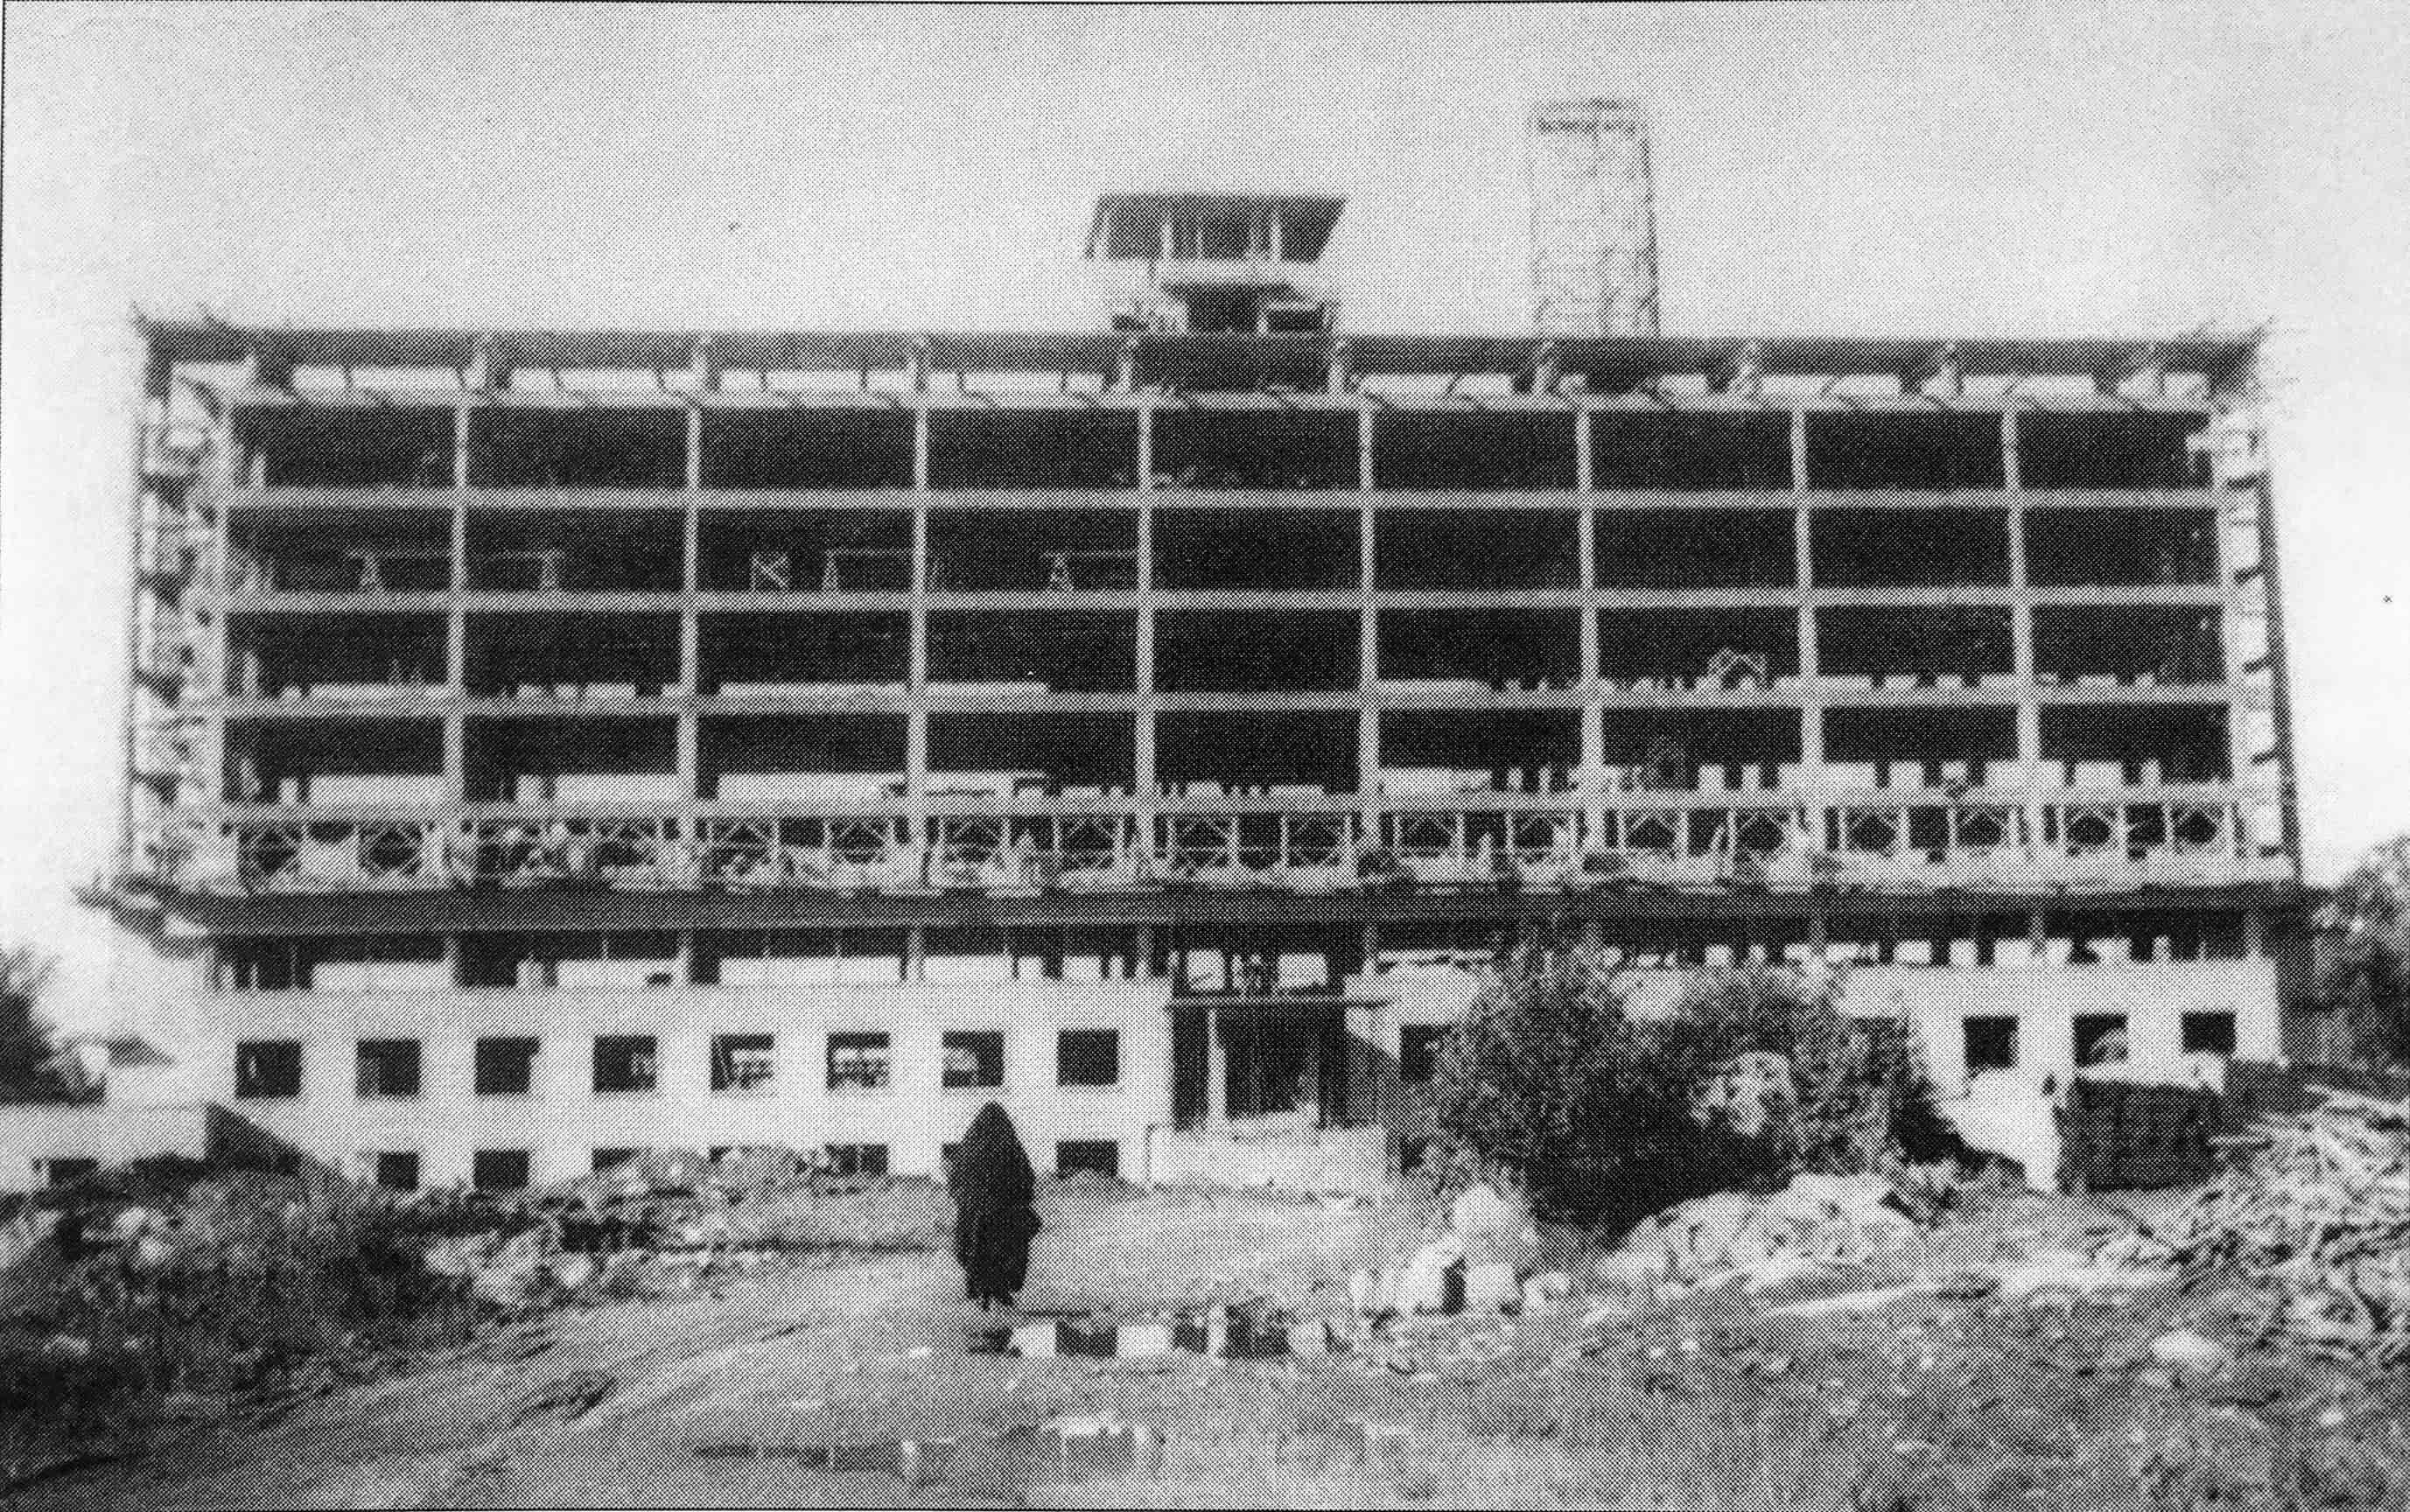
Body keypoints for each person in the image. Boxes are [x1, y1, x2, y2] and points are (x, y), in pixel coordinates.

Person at [948, 1102, 1040, 1310]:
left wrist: (968, 1202)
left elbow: (955, 1182)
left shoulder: (968, 1149)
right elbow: (1026, 1179)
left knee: (974, 1247)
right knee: (1005, 1247)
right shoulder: (1010, 1147)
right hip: (1003, 1214)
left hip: (974, 1214)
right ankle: (1000, 1289)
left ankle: (978, 1287)